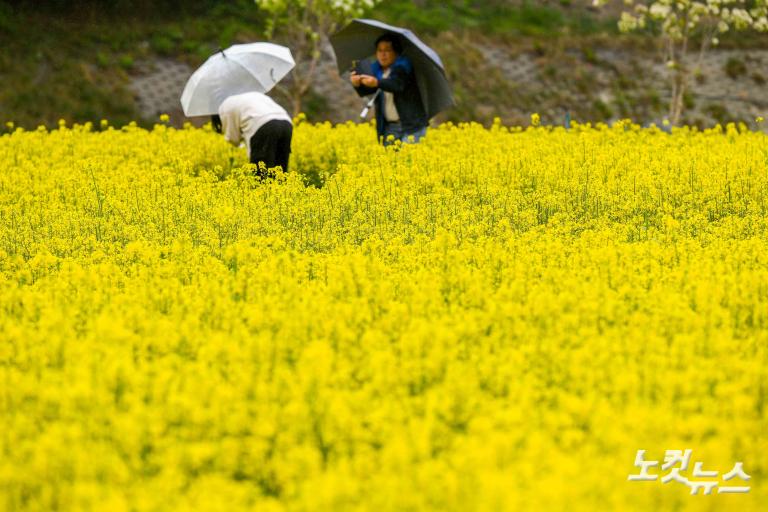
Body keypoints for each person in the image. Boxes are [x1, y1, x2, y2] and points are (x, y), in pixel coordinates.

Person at [350, 33, 428, 146]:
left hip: (411, 126)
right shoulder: (376, 70)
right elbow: (371, 91)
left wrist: (376, 82)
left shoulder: (405, 67)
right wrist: (357, 84)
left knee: (408, 160)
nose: (383, 54)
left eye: (387, 50)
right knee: (389, 161)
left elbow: (397, 85)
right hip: (390, 127)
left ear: (396, 52)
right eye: (379, 51)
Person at [211, 91, 293, 179]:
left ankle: (264, 192)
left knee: (261, 174)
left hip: (263, 124)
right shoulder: (247, 95)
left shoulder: (224, 108)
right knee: (280, 171)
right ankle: (281, 191)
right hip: (286, 122)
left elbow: (233, 138)